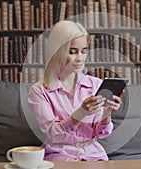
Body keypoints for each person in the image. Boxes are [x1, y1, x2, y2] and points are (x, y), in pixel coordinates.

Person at [28, 20, 123, 162]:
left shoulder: (95, 84)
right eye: (72, 52)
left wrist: (106, 114)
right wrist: (81, 112)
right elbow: (54, 134)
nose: (80, 58)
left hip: (93, 153)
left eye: (84, 51)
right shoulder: (39, 91)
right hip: (59, 154)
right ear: (57, 52)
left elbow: (101, 133)